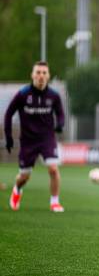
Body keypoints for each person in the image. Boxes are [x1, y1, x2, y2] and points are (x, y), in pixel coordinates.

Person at [4, 61, 65, 212]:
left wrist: (59, 125)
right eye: (38, 72)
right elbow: (8, 114)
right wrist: (9, 137)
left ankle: (55, 202)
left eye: (44, 73)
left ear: (48, 76)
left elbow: (61, 114)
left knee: (53, 169)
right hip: (28, 141)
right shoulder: (23, 94)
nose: (41, 76)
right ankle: (17, 190)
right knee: (24, 177)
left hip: (47, 139)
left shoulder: (54, 96)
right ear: (32, 75)